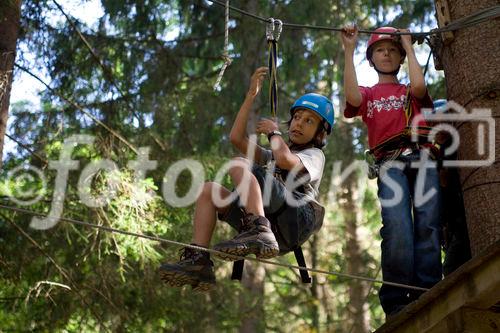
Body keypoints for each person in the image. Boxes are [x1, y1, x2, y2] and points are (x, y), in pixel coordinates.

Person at [159, 67, 334, 291]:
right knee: (208, 190)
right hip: (276, 225)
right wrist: (250, 96)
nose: (299, 123)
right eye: (297, 117)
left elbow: (284, 159)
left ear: (320, 133)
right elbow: (236, 138)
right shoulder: (273, 156)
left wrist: (274, 133)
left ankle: (258, 230)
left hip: (297, 219)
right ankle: (199, 261)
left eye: (309, 121)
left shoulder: (314, 156)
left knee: (238, 164)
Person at [341, 26, 442, 317]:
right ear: (371, 59)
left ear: (400, 57)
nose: (386, 54)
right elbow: (352, 98)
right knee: (398, 226)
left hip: (422, 158)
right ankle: (397, 298)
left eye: (392, 50)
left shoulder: (410, 90)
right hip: (390, 161)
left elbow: (421, 89)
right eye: (380, 51)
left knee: (429, 225)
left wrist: (410, 47)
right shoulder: (369, 94)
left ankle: (430, 289)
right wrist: (349, 50)